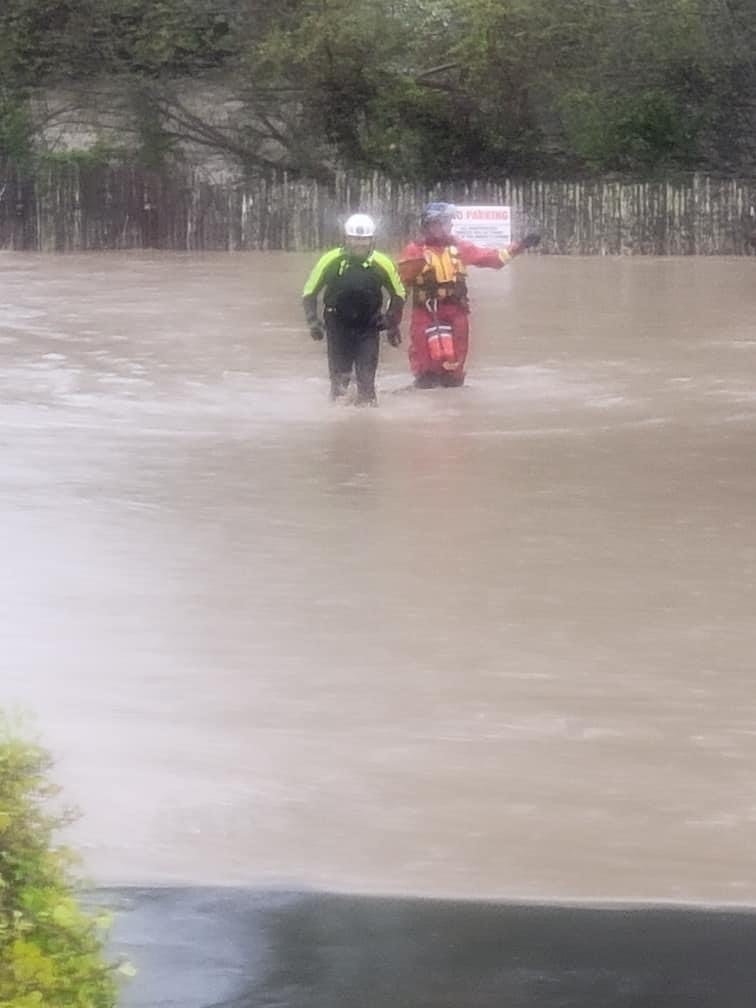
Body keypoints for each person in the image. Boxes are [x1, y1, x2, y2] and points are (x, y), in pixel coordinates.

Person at [397, 202, 541, 388]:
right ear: (431, 224)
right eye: (445, 222)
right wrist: (394, 317)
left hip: (456, 311)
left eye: (449, 222)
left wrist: (521, 246)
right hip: (425, 312)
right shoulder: (414, 250)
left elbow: (494, 258)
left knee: (454, 369)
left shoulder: (459, 246)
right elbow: (400, 285)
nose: (450, 226)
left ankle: (453, 400)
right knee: (425, 367)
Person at [302, 213, 406, 405]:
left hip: (368, 327)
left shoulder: (382, 263)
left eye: (364, 240)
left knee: (366, 383)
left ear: (371, 240)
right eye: (355, 239)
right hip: (337, 326)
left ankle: (367, 422)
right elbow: (309, 292)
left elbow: (399, 294)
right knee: (340, 382)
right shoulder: (330, 260)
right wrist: (312, 321)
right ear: (346, 239)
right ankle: (339, 423)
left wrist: (391, 320)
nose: (359, 244)